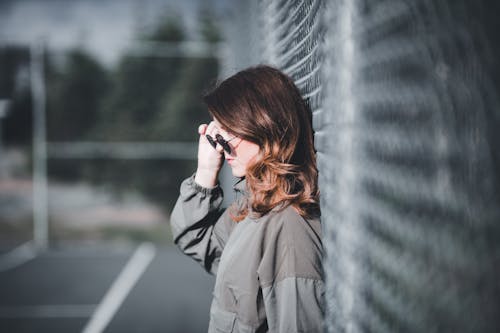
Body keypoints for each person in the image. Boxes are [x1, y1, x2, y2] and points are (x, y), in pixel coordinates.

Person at [170, 65, 324, 333]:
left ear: (264, 127)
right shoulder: (255, 208)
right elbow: (196, 240)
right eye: (220, 129)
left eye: (231, 129)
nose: (221, 142)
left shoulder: (287, 231)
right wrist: (206, 170)